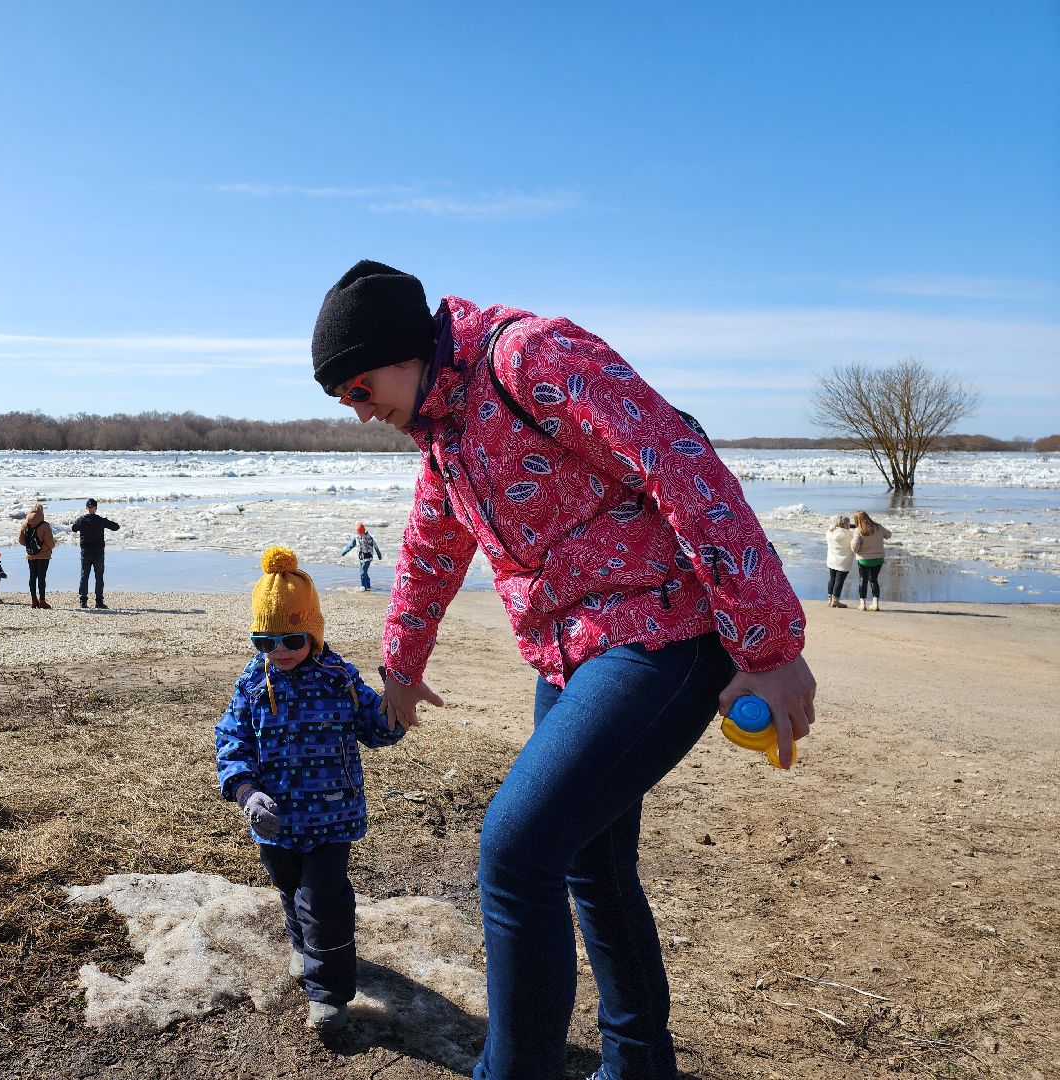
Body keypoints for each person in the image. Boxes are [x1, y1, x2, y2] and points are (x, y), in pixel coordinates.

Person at [310, 260, 816, 1080]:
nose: (360, 411)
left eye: (361, 388)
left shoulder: (533, 358)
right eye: (344, 400)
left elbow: (682, 465)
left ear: (405, 350)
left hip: (663, 631)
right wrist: (399, 669)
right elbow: (430, 550)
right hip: (572, 653)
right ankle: (639, 1065)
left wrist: (770, 647)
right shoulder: (440, 434)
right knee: (591, 862)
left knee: (516, 851)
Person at [214, 545, 405, 1032]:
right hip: (274, 820)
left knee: (325, 901)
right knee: (289, 889)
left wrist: (395, 706)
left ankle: (330, 996)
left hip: (331, 817)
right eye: (265, 639)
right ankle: (302, 946)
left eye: (291, 638)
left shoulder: (339, 679)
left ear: (314, 632)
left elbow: (376, 730)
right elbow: (231, 740)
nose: (278, 650)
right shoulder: (253, 684)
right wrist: (245, 792)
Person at [71, 498, 121, 608]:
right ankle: (99, 602)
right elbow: (116, 527)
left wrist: (81, 524)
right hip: (98, 552)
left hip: (86, 552)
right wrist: (106, 522)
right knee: (99, 576)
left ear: (86, 508)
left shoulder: (82, 520)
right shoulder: (100, 520)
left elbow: (73, 528)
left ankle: (83, 601)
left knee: (84, 576)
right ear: (96, 508)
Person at [850, 509, 892, 611]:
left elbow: (855, 548)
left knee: (863, 580)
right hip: (878, 559)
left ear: (857, 520)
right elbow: (889, 535)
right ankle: (875, 603)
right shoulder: (878, 527)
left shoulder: (858, 530)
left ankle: (862, 603)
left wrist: (852, 544)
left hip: (864, 560)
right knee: (874, 580)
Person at [18, 503, 57, 609]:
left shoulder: (25, 524)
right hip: (44, 556)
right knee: (41, 578)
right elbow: (50, 542)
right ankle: (42, 601)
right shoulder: (45, 525)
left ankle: (34, 600)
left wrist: (31, 545)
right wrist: (52, 545)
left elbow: (21, 541)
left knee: (32, 577)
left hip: (31, 555)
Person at [339, 522, 382, 590]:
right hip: (361, 557)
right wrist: (345, 551)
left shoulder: (369, 538)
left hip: (368, 557)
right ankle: (368, 586)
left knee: (363, 572)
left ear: (364, 531)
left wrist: (379, 554)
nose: (360, 534)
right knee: (363, 572)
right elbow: (351, 545)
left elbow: (375, 545)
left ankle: (363, 587)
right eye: (359, 533)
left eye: (361, 532)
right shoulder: (356, 537)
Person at [825, 515, 855, 608]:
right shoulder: (848, 535)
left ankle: (830, 599)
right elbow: (854, 545)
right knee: (839, 581)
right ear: (847, 524)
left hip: (832, 559)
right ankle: (836, 600)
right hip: (843, 560)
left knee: (832, 579)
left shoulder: (829, 532)